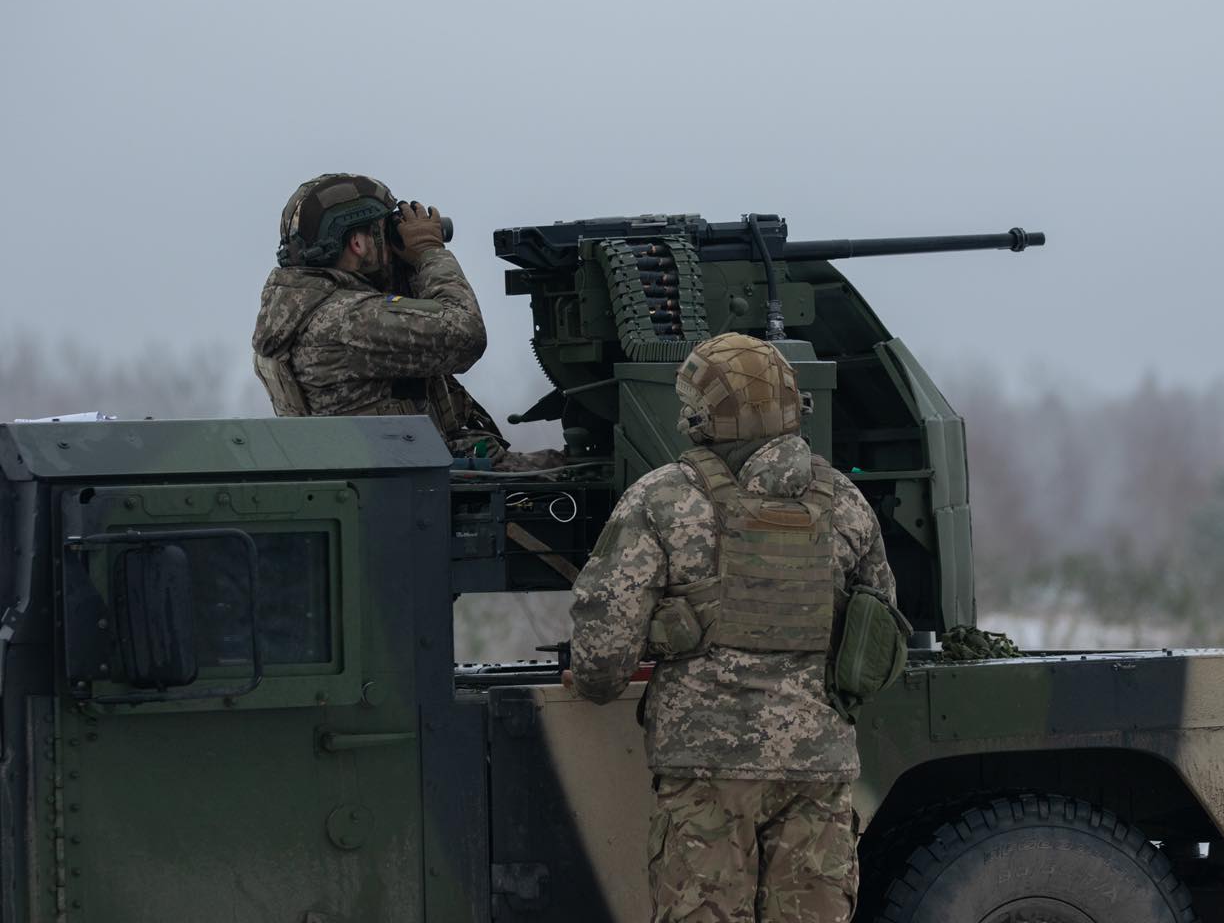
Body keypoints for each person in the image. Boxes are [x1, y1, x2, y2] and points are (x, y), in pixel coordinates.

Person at [567, 333, 897, 923]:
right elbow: (879, 635)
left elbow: (604, 648)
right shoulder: (845, 502)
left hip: (705, 774)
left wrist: (603, 677)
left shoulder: (661, 499)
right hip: (819, 770)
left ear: (700, 414)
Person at [251, 172, 560, 468]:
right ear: (358, 243)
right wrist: (429, 253)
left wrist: (401, 268)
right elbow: (465, 334)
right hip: (422, 488)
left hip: (392, 478)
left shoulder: (301, 312)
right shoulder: (346, 320)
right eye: (385, 232)